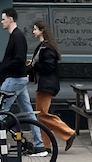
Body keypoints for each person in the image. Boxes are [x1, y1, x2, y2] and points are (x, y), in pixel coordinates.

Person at [0, 8, 47, 156]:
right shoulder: (16, 35)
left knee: (1, 112)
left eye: (3, 19)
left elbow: (19, 59)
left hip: (15, 79)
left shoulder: (17, 36)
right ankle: (39, 146)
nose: (1, 22)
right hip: (20, 79)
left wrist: (4, 67)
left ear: (11, 19)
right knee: (29, 113)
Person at [29, 21, 77, 151]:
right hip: (44, 84)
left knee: (42, 114)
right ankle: (46, 145)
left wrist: (34, 65)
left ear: (42, 30)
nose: (33, 32)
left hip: (47, 84)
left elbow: (49, 66)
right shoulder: (43, 46)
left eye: (35, 29)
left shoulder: (47, 48)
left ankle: (68, 133)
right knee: (41, 116)